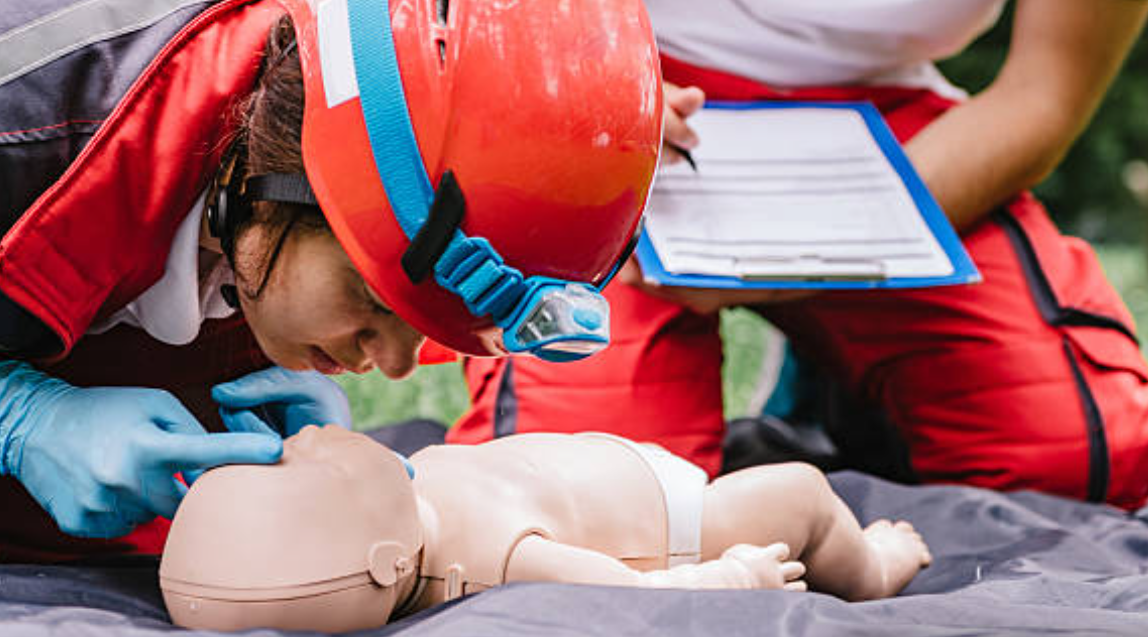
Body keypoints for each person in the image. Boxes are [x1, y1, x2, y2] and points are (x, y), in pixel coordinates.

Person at [0, 0, 662, 562]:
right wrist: (6, 417)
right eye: (374, 302)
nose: (388, 364)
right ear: (291, 176)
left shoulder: (270, 179)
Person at [452, 0, 1148, 509]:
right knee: (590, 493)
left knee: (1073, 461)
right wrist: (579, 95)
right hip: (604, 85)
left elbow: (1043, 93)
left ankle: (843, 378)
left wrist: (789, 247)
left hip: (886, 123)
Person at [159, 426, 932, 633]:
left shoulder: (399, 508)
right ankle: (871, 564)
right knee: (797, 489)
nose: (306, 447)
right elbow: (633, 593)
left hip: (604, 469)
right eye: (309, 474)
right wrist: (731, 578)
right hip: (679, 518)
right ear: (388, 560)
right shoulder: (506, 562)